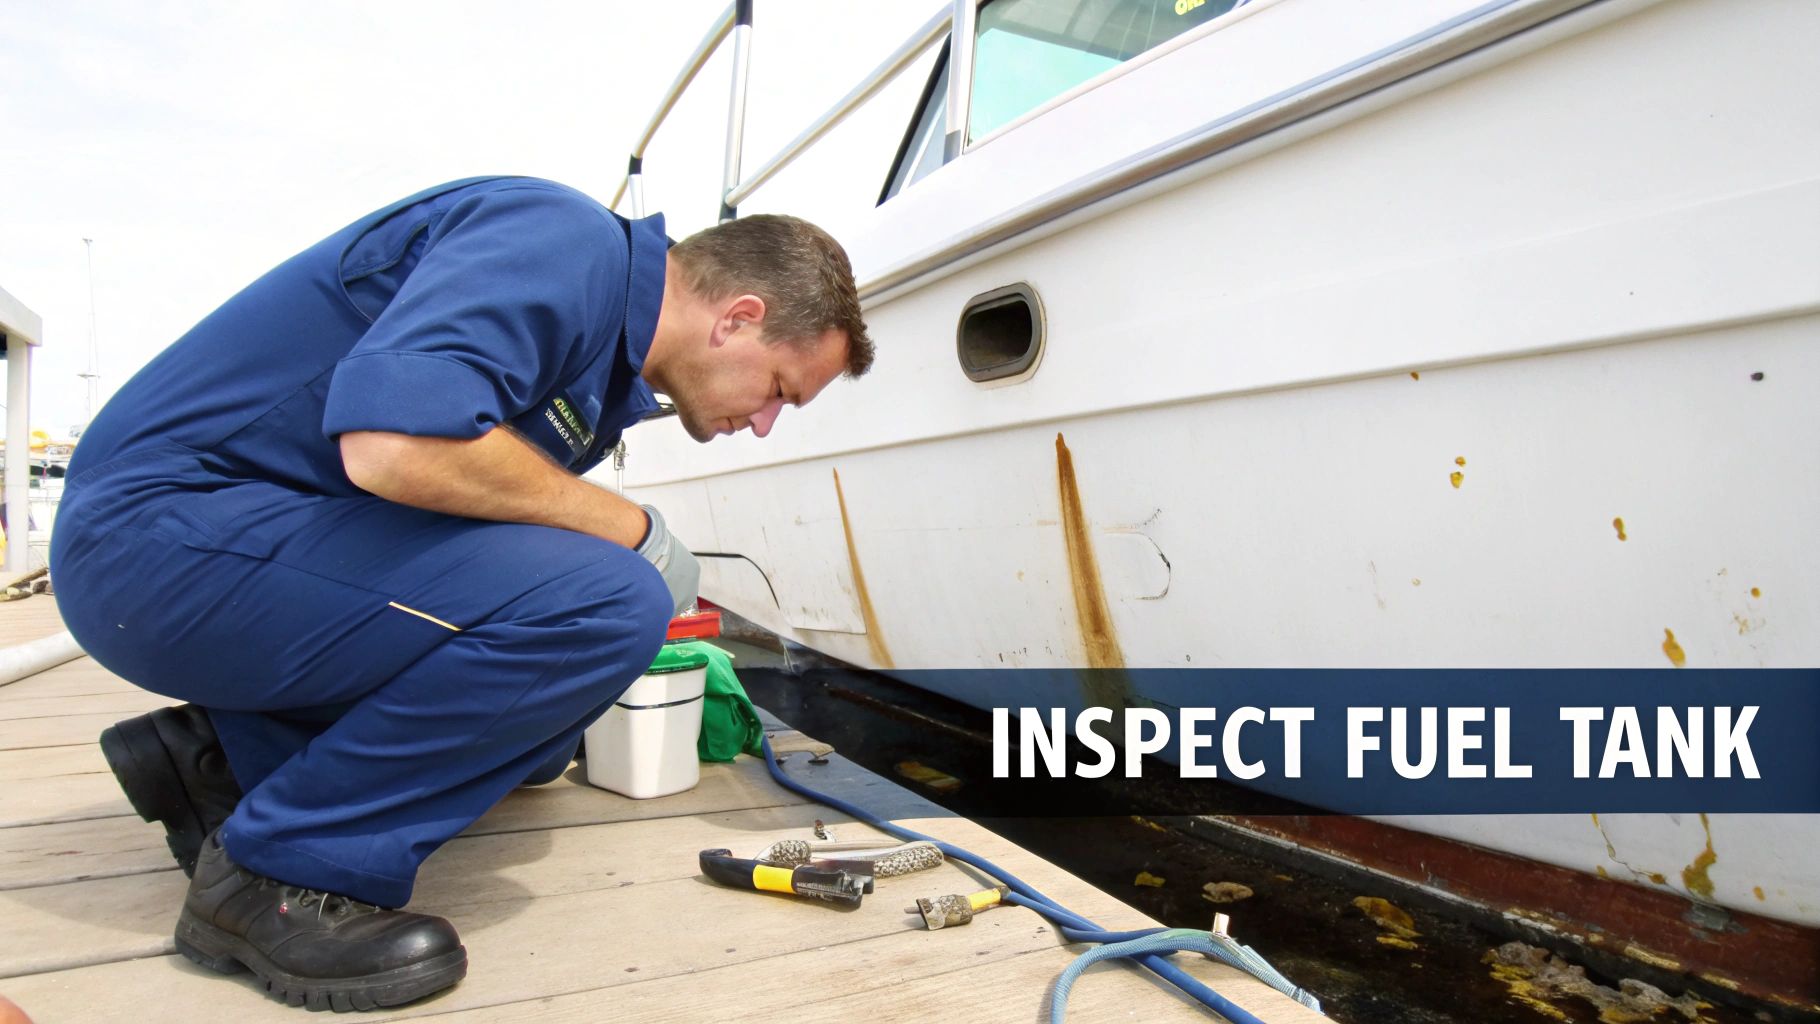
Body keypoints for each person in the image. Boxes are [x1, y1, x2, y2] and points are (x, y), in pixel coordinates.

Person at [49, 176, 872, 1012]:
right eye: (779, 390)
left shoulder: (599, 362)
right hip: (157, 546)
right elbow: (397, 447)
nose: (767, 423)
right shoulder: (562, 241)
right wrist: (633, 531)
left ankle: (221, 757)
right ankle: (281, 872)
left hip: (223, 551)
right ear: (738, 318)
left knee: (541, 737)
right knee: (605, 604)